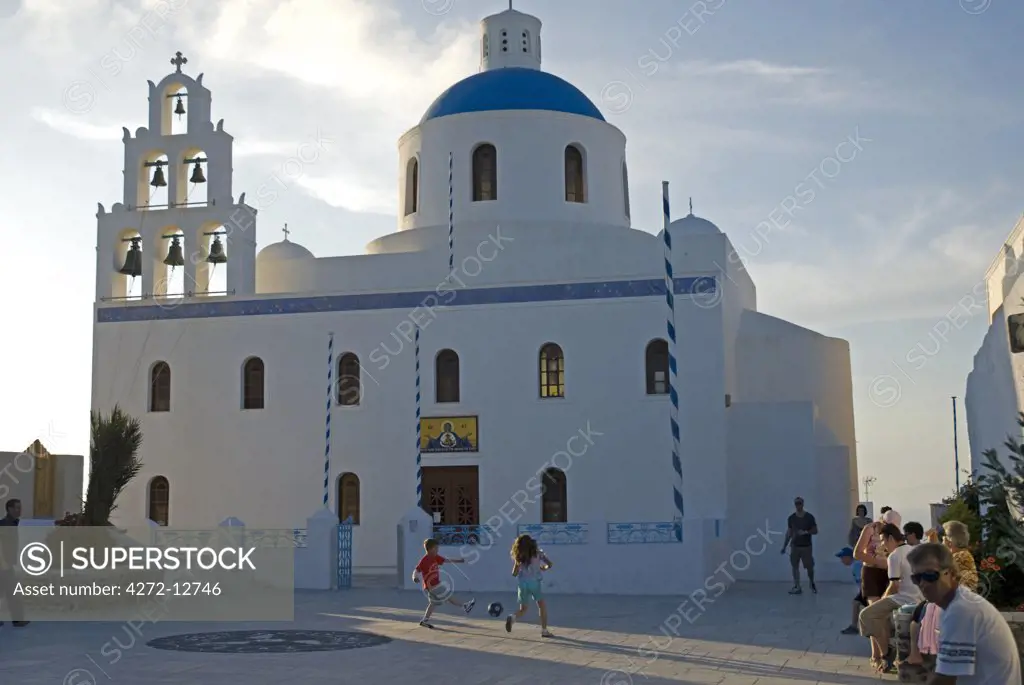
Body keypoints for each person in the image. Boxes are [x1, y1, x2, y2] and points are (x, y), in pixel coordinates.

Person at [908, 542, 1021, 683]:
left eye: (930, 576)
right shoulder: (954, 603)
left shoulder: (960, 610)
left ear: (952, 573)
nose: (923, 584)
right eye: (917, 578)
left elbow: (945, 679)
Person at [906, 520, 979, 670]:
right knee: (918, 612)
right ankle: (919, 652)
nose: (944, 539)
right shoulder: (961, 554)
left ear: (951, 539)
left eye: (945, 536)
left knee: (918, 614)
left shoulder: (961, 556)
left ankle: (919, 653)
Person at [858, 523, 923, 674]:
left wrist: (882, 600)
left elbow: (894, 585)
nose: (882, 545)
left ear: (892, 538)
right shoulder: (913, 550)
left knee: (866, 615)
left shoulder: (894, 556)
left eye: (883, 540)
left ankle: (886, 653)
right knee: (880, 616)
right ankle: (887, 650)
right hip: (918, 598)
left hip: (904, 598)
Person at [411, 538, 475, 628]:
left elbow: (446, 561)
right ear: (430, 549)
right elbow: (416, 570)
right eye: (436, 548)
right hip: (433, 586)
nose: (438, 550)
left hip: (433, 586)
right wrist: (415, 577)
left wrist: (459, 560)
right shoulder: (424, 560)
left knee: (433, 603)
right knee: (447, 594)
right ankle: (465, 606)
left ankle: (424, 620)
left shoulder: (435, 557)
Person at [505, 534, 554, 637]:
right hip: (534, 583)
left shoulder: (519, 557)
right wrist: (543, 567)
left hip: (522, 584)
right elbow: (550, 564)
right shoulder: (538, 553)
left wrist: (517, 564)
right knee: (541, 605)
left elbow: (514, 573)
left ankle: (512, 617)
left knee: (523, 608)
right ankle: (544, 630)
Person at [855, 509, 900, 606]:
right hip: (871, 572)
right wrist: (878, 562)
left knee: (887, 606)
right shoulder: (870, 529)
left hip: (888, 573)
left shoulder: (894, 533)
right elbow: (857, 553)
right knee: (875, 607)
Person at [0, 498, 28, 628]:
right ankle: (17, 620)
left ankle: (17, 620)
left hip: (7, 564)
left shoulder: (12, 523)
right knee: (13, 592)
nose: (19, 510)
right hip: (3, 565)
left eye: (20, 507)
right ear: (10, 509)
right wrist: (3, 562)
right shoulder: (5, 524)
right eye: (17, 508)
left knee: (10, 592)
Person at [781, 496, 818, 594]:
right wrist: (784, 546)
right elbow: (789, 532)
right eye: (796, 504)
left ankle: (811, 582)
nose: (798, 505)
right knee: (795, 566)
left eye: (799, 503)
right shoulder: (791, 518)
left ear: (803, 504)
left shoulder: (809, 517)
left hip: (806, 546)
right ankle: (797, 586)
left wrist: (806, 532)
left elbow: (815, 530)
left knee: (809, 567)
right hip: (795, 546)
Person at [836, 547, 867, 634]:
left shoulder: (856, 565)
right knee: (856, 603)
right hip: (865, 589)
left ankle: (855, 626)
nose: (841, 560)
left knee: (856, 603)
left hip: (866, 589)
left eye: (842, 558)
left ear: (848, 557)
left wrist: (863, 593)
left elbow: (862, 581)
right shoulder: (856, 564)